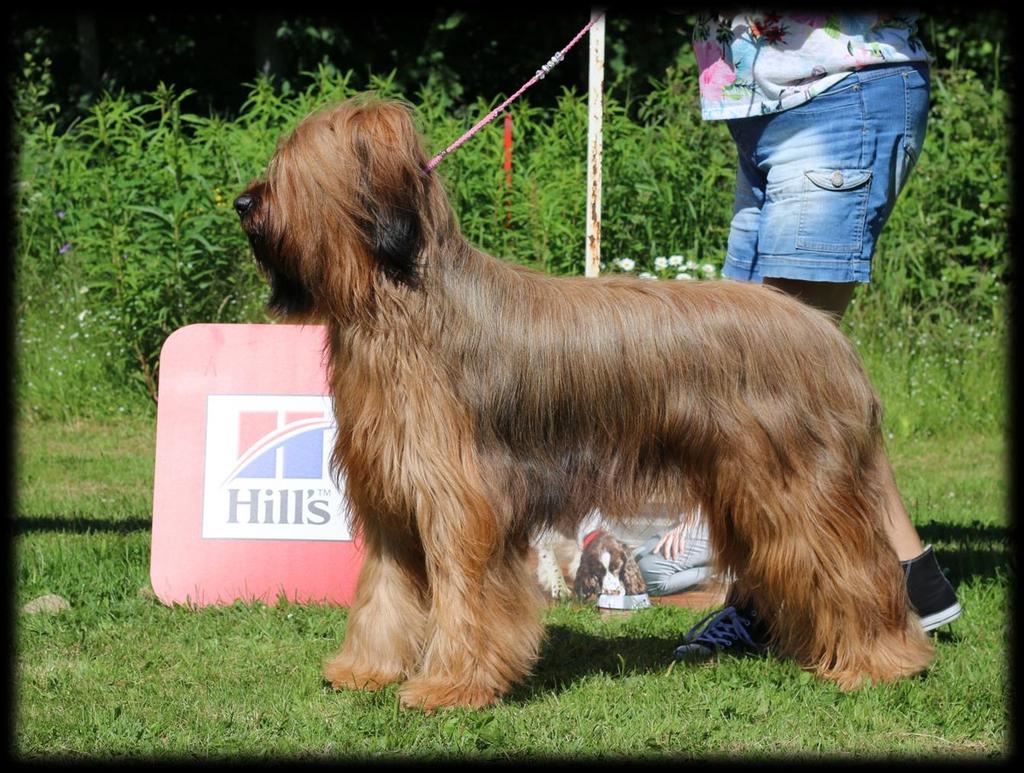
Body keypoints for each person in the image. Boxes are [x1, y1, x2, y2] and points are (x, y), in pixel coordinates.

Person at [676, 12, 961, 659]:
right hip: (767, 109)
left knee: (782, 392)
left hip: (839, 91)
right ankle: (910, 578)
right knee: (771, 383)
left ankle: (806, 605)